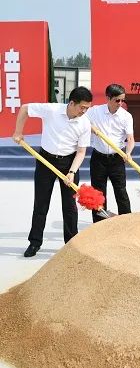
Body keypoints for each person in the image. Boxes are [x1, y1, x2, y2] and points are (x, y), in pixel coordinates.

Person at [12, 86, 93, 257]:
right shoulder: (52, 110)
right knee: (41, 203)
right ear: (72, 103)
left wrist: (72, 172)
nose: (84, 111)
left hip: (69, 163)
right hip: (45, 161)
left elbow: (81, 152)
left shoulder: (85, 123)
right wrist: (18, 132)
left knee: (70, 206)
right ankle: (34, 243)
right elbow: (25, 108)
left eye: (87, 108)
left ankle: (71, 244)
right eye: (82, 107)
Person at [86, 83, 134, 222]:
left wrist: (128, 153)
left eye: (122, 100)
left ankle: (126, 222)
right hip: (98, 158)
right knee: (98, 193)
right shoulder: (95, 111)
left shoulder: (126, 116)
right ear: (108, 98)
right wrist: (90, 127)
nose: (120, 103)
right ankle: (99, 224)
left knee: (121, 191)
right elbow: (80, 118)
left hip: (117, 158)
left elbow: (130, 139)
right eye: (117, 100)